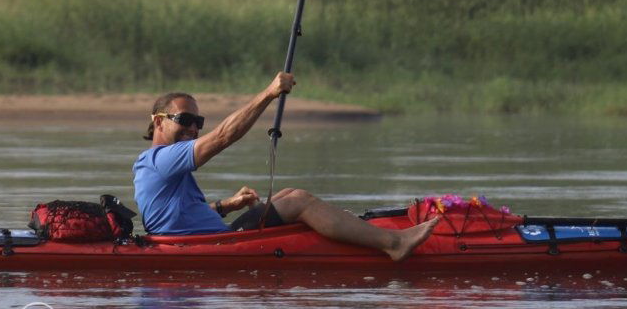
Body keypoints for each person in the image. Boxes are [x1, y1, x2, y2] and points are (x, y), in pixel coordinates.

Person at [133, 72, 438, 261]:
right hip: (210, 245)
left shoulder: (154, 165)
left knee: (287, 194)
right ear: (158, 122)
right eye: (185, 120)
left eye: (198, 123)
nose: (193, 129)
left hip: (209, 234)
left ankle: (357, 232)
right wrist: (268, 93)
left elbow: (175, 216)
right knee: (298, 201)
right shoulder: (161, 159)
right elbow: (224, 135)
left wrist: (227, 204)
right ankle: (394, 243)